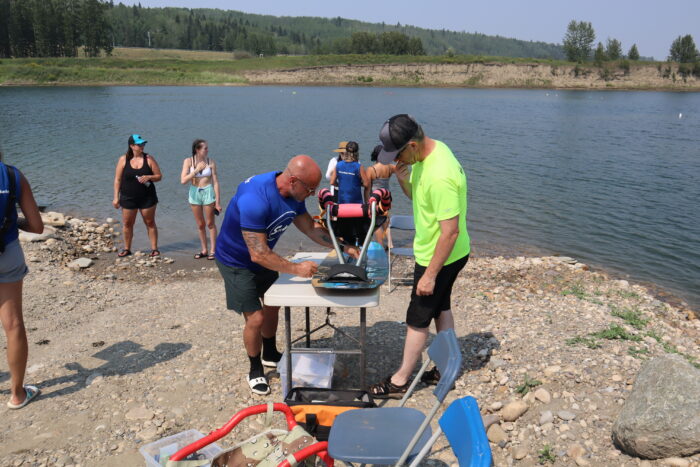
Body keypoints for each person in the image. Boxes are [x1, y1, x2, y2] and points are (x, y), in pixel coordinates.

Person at [215, 155, 360, 395]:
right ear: (293, 180)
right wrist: (296, 269)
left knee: (273, 304)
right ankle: (255, 369)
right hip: (236, 262)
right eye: (310, 189)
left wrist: (342, 245)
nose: (313, 195)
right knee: (256, 319)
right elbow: (258, 254)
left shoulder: (293, 195)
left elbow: (311, 228)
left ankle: (270, 352)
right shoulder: (255, 199)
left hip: (265, 256)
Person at [369, 114, 470, 399]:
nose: (395, 159)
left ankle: (400, 382)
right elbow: (420, 198)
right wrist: (403, 179)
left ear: (412, 145)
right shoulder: (431, 152)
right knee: (441, 307)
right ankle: (445, 365)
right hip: (445, 250)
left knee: (418, 316)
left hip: (441, 254)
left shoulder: (441, 174)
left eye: (398, 153)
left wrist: (429, 275)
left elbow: (449, 232)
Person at [0, 152, 44, 409]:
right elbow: (37, 226)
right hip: (7, 253)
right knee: (13, 324)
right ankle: (17, 394)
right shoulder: (13, 175)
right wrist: (13, 221)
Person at [112, 134, 162, 258]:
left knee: (150, 222)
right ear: (132, 146)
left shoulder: (149, 159)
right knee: (127, 224)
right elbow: (117, 180)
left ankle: (154, 249)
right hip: (128, 198)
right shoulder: (123, 159)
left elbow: (159, 176)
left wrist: (149, 177)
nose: (142, 146)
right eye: (139, 144)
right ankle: (127, 249)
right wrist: (116, 197)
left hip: (147, 198)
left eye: (143, 144)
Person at [180, 139, 222, 260]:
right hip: (194, 192)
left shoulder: (211, 162)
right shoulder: (188, 161)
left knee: (210, 223)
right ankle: (204, 250)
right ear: (197, 150)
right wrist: (197, 170)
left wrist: (218, 202)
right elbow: (183, 181)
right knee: (200, 224)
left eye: (207, 148)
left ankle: (213, 250)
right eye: (205, 148)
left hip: (208, 191)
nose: (207, 150)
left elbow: (215, 182)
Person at [364, 144, 395, 247]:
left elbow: (367, 188)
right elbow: (400, 167)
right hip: (387, 197)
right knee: (386, 220)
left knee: (376, 224)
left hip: (375, 199)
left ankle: (381, 246)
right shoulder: (390, 167)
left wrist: (366, 203)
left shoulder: (371, 169)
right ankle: (390, 243)